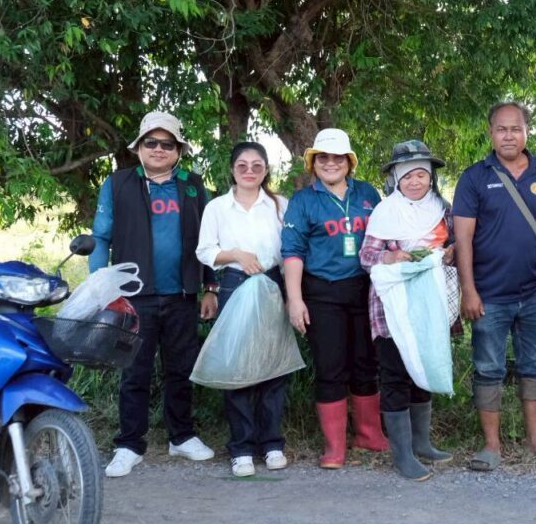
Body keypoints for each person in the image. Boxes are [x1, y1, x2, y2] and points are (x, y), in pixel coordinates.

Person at [92, 111, 218, 478]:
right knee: (134, 371)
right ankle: (130, 444)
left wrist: (210, 287)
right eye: (152, 142)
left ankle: (182, 436)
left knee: (181, 369)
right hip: (134, 294)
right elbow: (100, 237)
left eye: (167, 144)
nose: (159, 149)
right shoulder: (118, 183)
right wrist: (102, 288)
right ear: (139, 147)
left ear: (178, 150)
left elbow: (209, 240)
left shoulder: (192, 185)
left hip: (182, 294)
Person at [453, 101, 536, 472]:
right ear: (491, 133)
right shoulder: (474, 177)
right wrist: (469, 290)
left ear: (526, 132)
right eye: (501, 129)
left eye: (515, 128)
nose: (509, 135)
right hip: (489, 294)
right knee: (488, 369)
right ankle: (492, 445)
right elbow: (463, 238)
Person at [281, 128, 388, 469]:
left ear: (349, 162)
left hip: (365, 289)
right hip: (322, 292)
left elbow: (386, 238)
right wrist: (294, 299)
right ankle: (335, 446)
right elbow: (292, 251)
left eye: (338, 157)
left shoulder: (367, 193)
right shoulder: (303, 200)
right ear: (313, 163)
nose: (331, 163)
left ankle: (369, 435)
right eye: (323, 158)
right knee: (331, 367)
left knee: (366, 363)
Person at [359, 140, 456, 481]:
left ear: (431, 177)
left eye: (421, 175)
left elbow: (456, 244)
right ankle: (402, 455)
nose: (415, 182)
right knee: (396, 375)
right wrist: (391, 256)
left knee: (422, 368)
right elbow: (366, 257)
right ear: (396, 180)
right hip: (392, 307)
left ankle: (422, 443)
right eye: (407, 176)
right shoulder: (385, 212)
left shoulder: (442, 209)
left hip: (430, 304)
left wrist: (451, 252)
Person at [195, 142, 290, 478]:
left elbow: (290, 251)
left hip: (273, 283)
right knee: (236, 366)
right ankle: (241, 448)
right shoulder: (218, 208)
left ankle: (272, 443)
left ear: (266, 169)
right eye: (242, 165)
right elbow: (205, 251)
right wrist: (235, 254)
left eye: (257, 165)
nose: (250, 171)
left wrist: (291, 293)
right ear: (232, 170)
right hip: (235, 284)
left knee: (273, 366)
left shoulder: (280, 205)